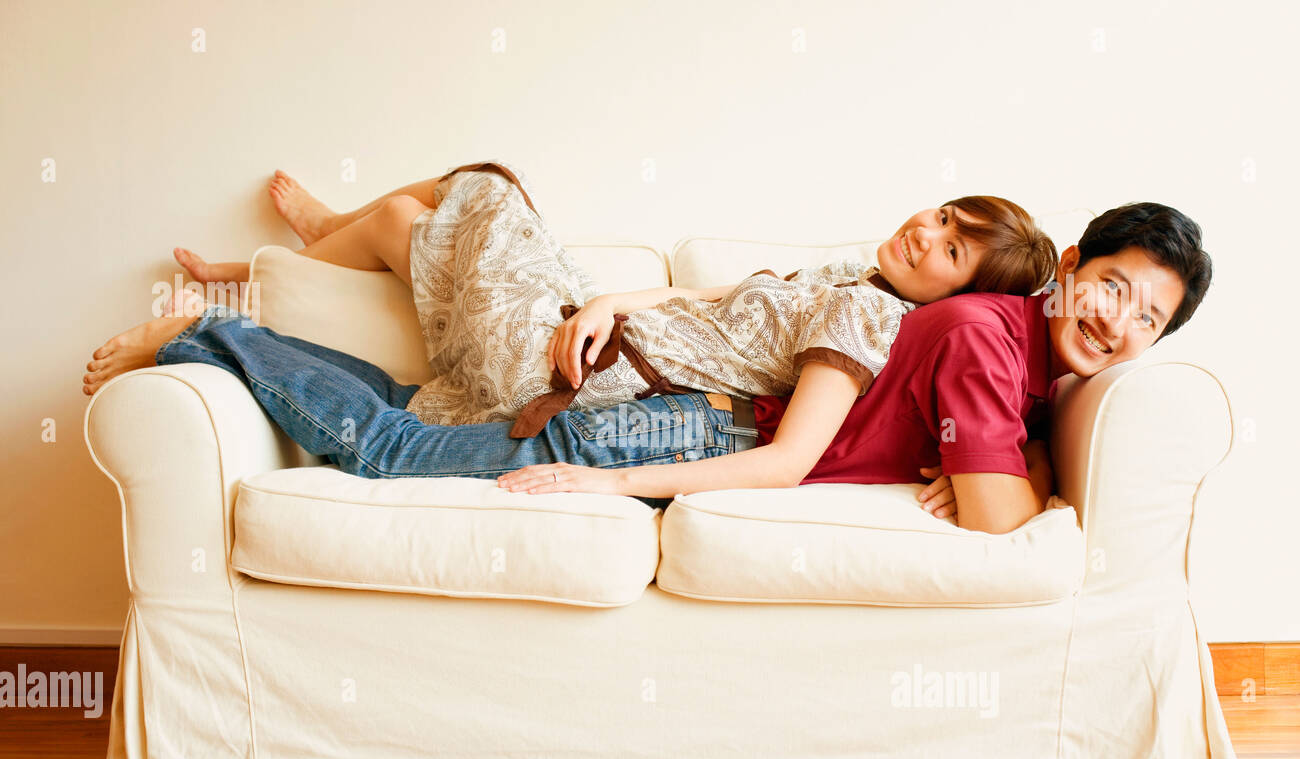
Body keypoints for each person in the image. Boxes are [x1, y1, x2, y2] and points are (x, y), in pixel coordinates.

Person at [80, 202, 1210, 535]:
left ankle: (225, 325)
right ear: (1064, 270)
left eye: (1147, 322)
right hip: (675, 432)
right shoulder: (975, 331)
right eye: (1111, 288)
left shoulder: (1014, 356)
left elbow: (992, 494)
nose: (1118, 326)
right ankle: (206, 333)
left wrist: (1004, 465)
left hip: (675, 421)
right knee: (386, 447)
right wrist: (612, 486)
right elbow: (993, 519)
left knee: (398, 426)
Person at [84, 162, 1057, 448]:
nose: (926, 233)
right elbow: (698, 291)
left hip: (574, 379)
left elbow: (802, 447)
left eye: (954, 247)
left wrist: (603, 332)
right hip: (593, 336)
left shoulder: (872, 321)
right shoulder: (848, 277)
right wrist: (612, 302)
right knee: (396, 217)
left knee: (487, 185)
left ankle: (232, 296)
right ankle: (272, 262)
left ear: (962, 290)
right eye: (939, 215)